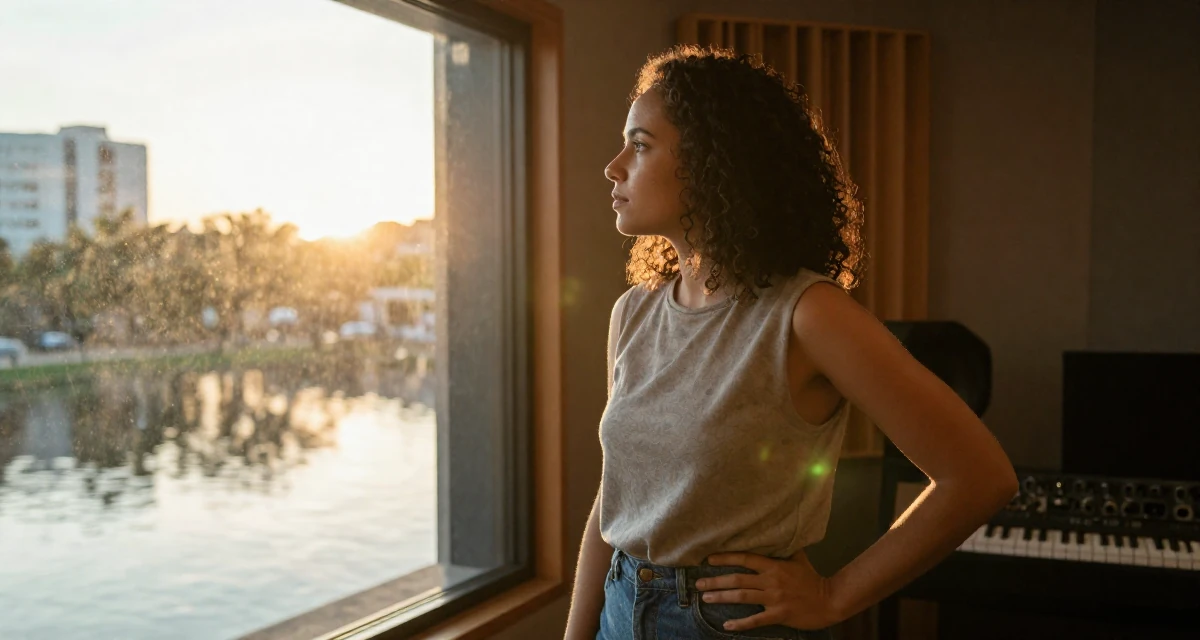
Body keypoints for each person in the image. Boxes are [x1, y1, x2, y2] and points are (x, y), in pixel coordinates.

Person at [564, 44, 1018, 640]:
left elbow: (981, 477)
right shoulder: (634, 312)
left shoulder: (810, 315)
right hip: (619, 609)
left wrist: (834, 597)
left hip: (727, 624)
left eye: (641, 145)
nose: (614, 166)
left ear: (711, 162)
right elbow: (615, 497)